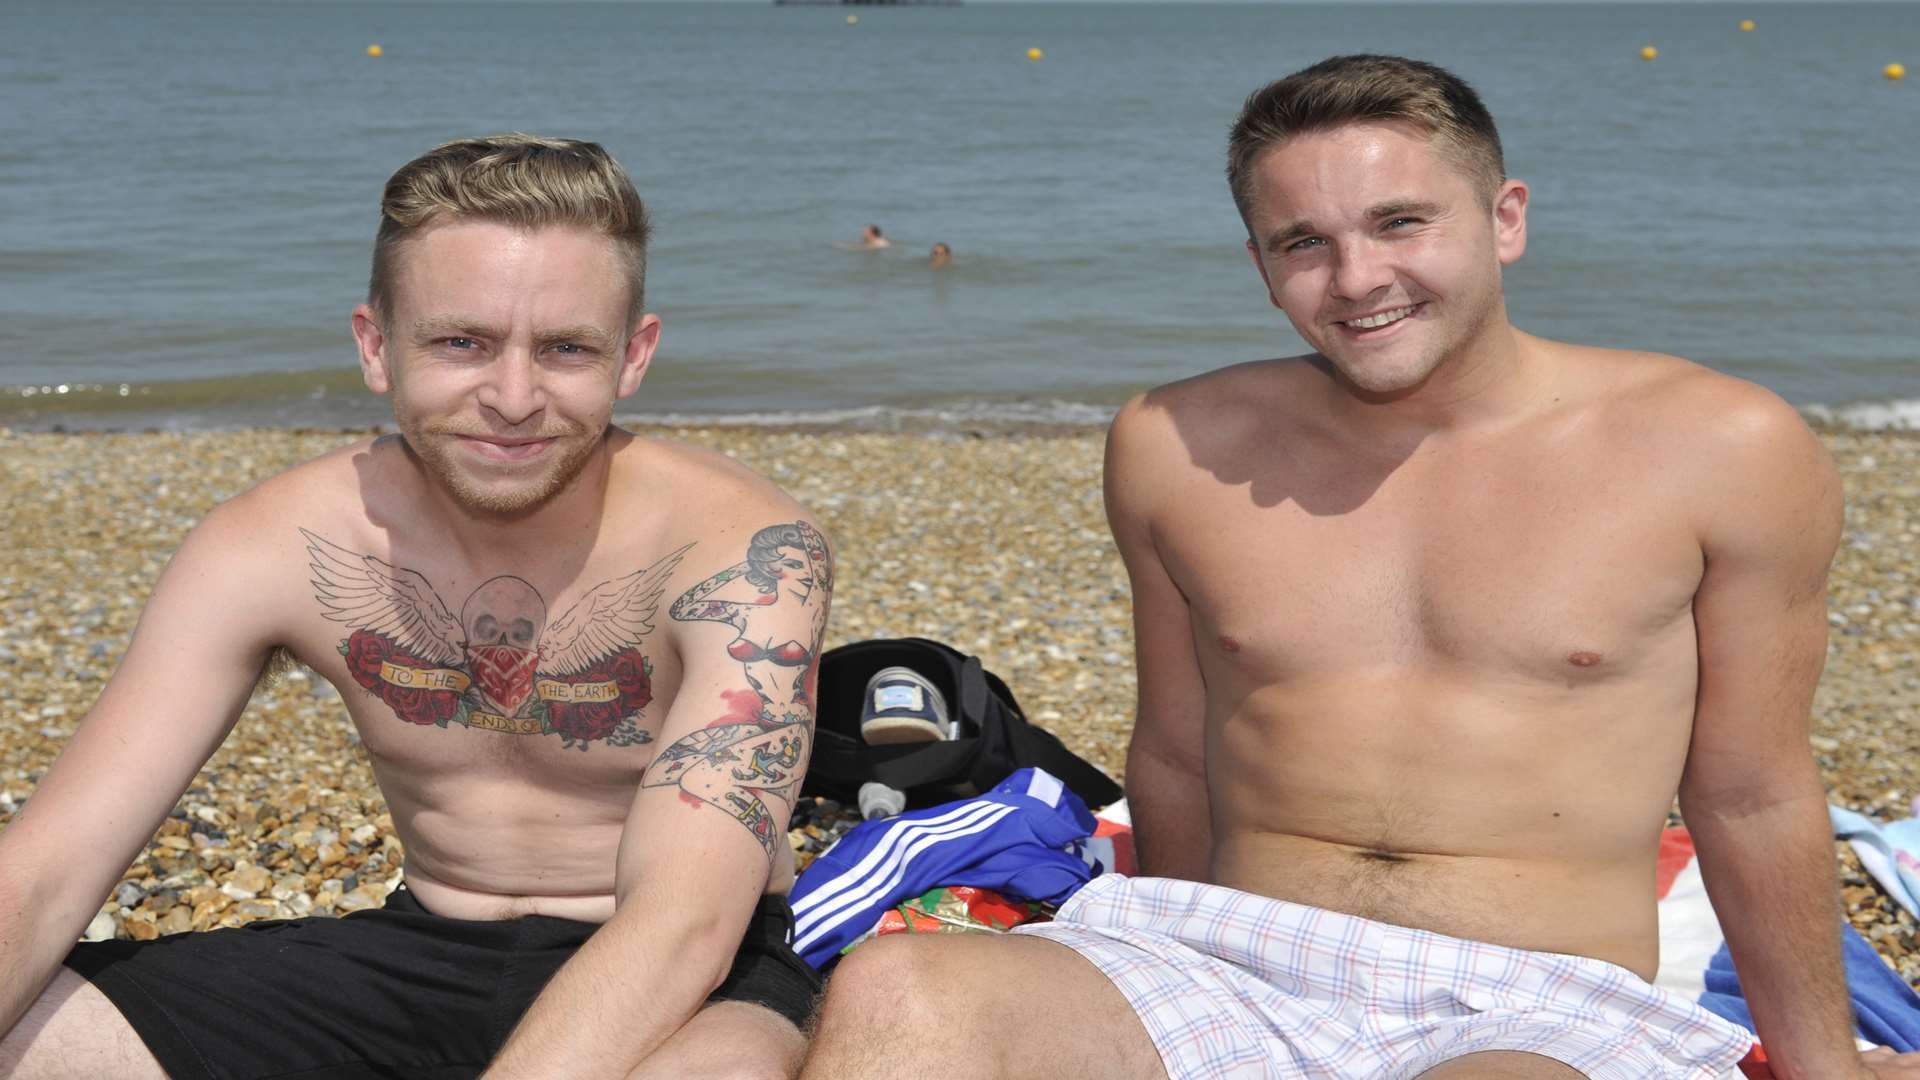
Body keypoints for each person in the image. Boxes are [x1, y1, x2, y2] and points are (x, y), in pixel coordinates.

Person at [799, 55, 1920, 1079]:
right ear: (1260, 264)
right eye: (1304, 243)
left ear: (1505, 217)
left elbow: (1753, 791)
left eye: (1400, 222)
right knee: (901, 992)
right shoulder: (1175, 446)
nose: (1357, 277)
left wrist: (1819, 1065)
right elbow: (1177, 757)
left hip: (1533, 1002)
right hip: (1231, 959)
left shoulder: (1721, 449)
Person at [0, 135, 833, 1079]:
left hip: (692, 975)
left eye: (565, 348)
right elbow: (45, 871)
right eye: (460, 343)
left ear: (632, 356)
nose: (513, 398)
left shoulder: (747, 552)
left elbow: (689, 924)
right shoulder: (271, 544)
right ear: (375, 346)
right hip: (419, 952)